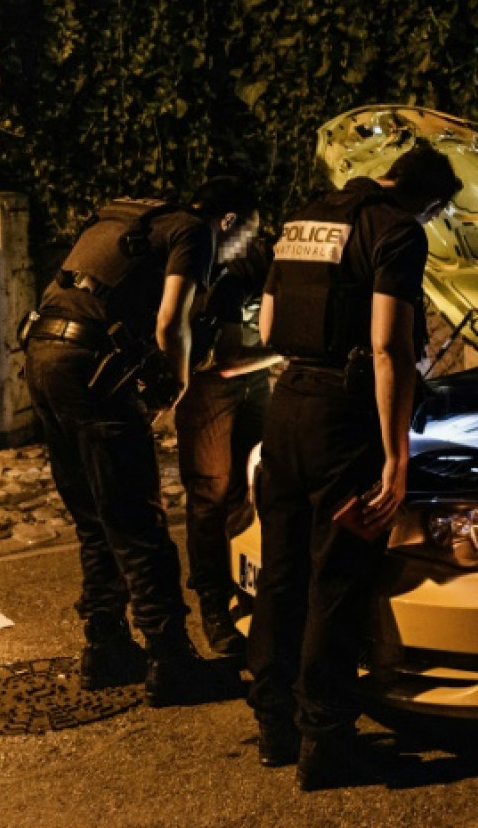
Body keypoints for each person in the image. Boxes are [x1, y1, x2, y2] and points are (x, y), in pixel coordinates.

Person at [246, 140, 462, 790]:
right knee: (335, 581)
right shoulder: (397, 231)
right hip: (342, 420)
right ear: (428, 199)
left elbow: (268, 329)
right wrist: (398, 458)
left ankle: (272, 725)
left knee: (279, 573)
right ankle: (326, 742)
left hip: (285, 407)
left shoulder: (304, 218)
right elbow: (388, 347)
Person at [23, 176, 259, 706]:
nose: (242, 248)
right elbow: (170, 322)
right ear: (228, 221)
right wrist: (171, 393)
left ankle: (106, 648)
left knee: (94, 516)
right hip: (91, 369)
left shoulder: (132, 216)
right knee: (137, 521)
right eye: (245, 235)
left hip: (42, 356)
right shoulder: (196, 233)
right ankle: (171, 660)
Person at [175, 233, 277, 657]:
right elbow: (229, 362)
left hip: (252, 382)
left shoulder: (269, 265)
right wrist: (285, 353)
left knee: (254, 487)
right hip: (211, 388)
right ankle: (213, 605)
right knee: (210, 497)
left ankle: (247, 587)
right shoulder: (230, 276)